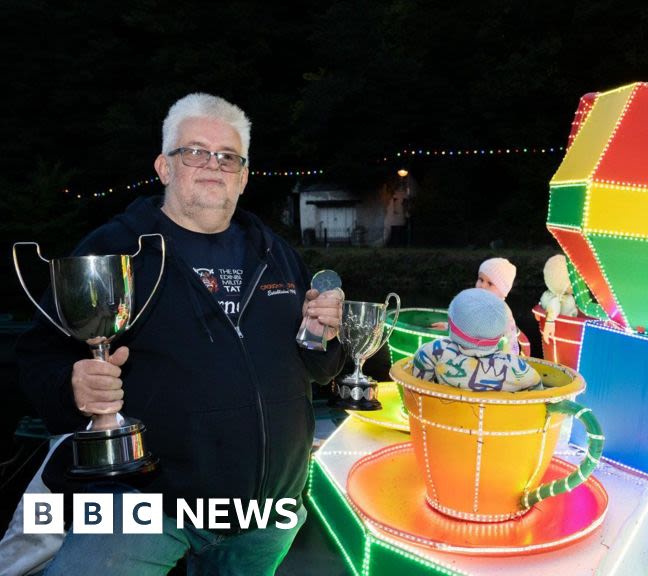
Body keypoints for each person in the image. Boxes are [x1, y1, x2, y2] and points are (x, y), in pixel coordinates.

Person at [14, 93, 344, 575]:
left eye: (228, 157)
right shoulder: (115, 248)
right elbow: (38, 355)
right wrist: (73, 386)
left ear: (245, 176)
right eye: (194, 151)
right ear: (164, 167)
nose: (213, 164)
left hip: (266, 512)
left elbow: (319, 366)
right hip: (144, 507)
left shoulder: (276, 253)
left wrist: (320, 336)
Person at [413, 289, 540, 392]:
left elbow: (420, 387)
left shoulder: (436, 351)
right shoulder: (516, 366)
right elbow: (538, 390)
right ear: (500, 333)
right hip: (497, 421)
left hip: (448, 418)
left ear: (451, 325)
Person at [431, 257, 525, 355]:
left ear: (503, 290)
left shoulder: (502, 311)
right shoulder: (474, 304)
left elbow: (511, 341)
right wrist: (448, 327)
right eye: (481, 279)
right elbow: (466, 326)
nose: (482, 285)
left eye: (490, 283)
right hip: (470, 352)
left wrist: (510, 361)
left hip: (491, 359)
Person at [539, 254, 578, 345]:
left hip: (568, 328)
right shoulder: (556, 299)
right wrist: (549, 322)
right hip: (565, 331)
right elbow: (553, 308)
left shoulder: (558, 295)